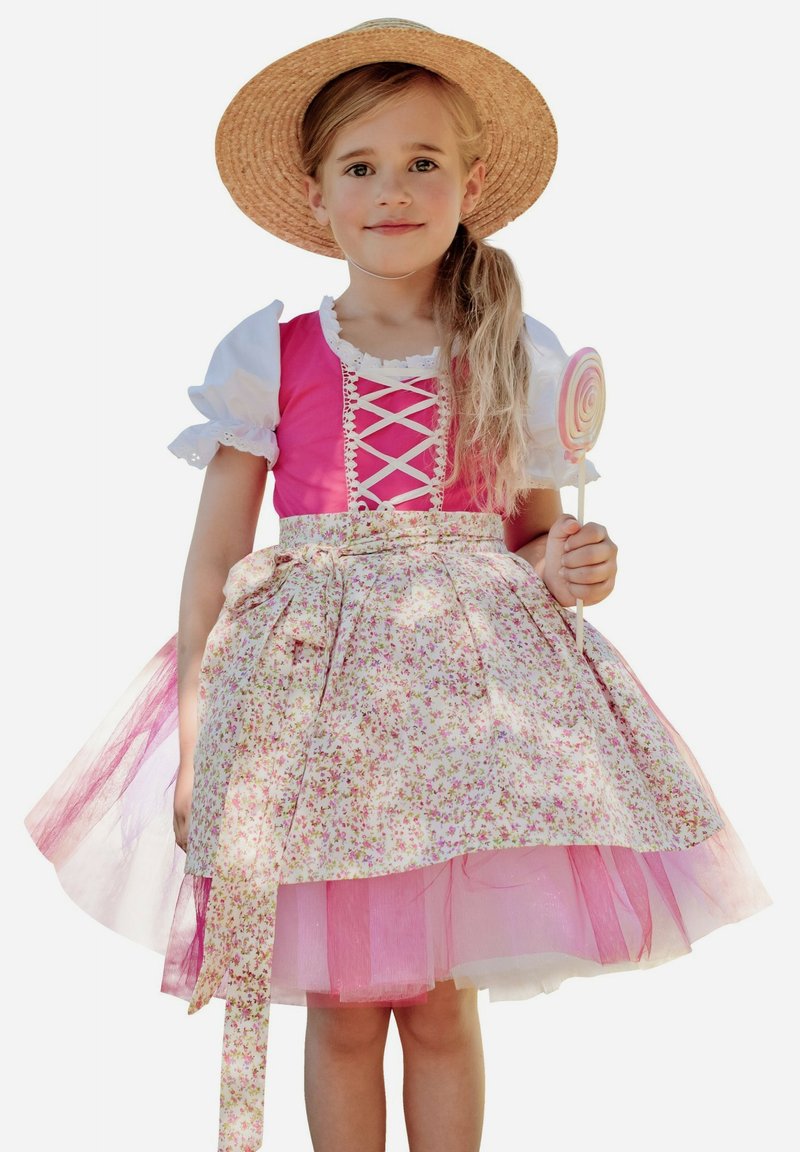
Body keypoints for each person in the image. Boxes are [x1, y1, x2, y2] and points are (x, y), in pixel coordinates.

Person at [25, 18, 771, 1152]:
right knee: (343, 1010)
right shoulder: (271, 355)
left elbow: (531, 542)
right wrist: (197, 740)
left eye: (422, 162)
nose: (393, 191)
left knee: (434, 1004)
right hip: (318, 718)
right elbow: (214, 567)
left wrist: (568, 565)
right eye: (361, 167)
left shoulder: (513, 350)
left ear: (471, 183)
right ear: (317, 195)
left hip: (464, 725)